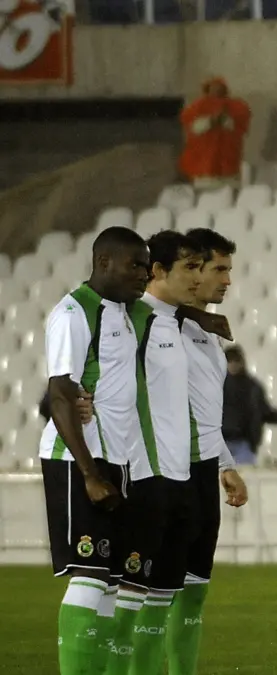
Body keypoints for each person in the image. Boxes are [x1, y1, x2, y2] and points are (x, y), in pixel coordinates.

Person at [39, 226, 148, 675]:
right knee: (88, 575)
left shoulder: (124, 311)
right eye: (135, 264)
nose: (143, 274)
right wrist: (89, 474)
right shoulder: (73, 312)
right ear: (104, 262)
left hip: (116, 457)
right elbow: (60, 392)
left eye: (146, 266)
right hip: (79, 459)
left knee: (109, 581)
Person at [121, 231, 206, 675]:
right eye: (189, 267)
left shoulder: (174, 322)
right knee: (127, 597)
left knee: (162, 597)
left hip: (179, 476)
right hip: (144, 476)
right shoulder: (130, 321)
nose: (198, 278)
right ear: (157, 271)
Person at [163, 228, 247, 675]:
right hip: (166, 472)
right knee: (151, 593)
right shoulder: (159, 324)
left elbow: (205, 407)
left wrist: (225, 464)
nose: (225, 280)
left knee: (195, 588)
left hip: (202, 469)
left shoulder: (207, 332)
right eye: (217, 269)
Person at [178, 76, 251, 190]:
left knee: (229, 192)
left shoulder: (236, 107)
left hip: (228, 166)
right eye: (213, 88)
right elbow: (192, 127)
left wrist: (224, 120)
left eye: (220, 88)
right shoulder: (197, 107)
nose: (216, 91)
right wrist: (211, 121)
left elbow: (240, 127)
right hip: (204, 168)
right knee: (206, 194)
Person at [221, 345, 277, 466]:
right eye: (229, 360)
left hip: (243, 444)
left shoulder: (253, 387)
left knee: (243, 476)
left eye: (235, 360)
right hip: (220, 444)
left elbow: (265, 412)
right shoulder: (215, 386)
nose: (233, 364)